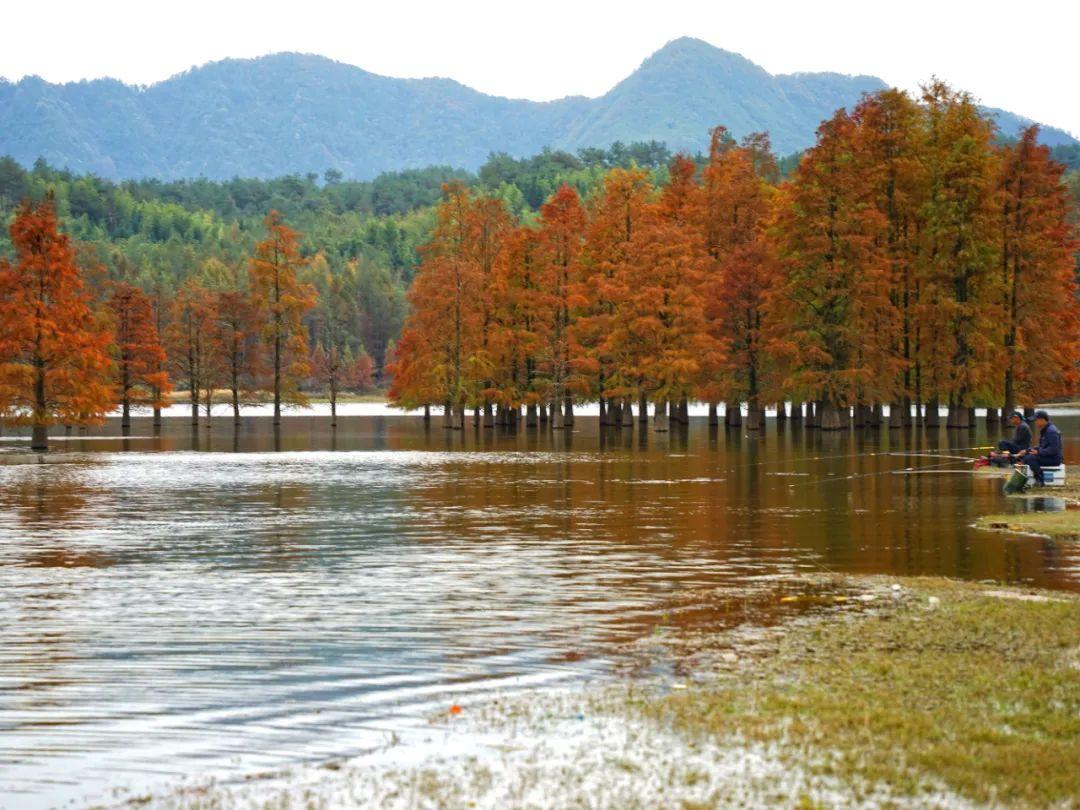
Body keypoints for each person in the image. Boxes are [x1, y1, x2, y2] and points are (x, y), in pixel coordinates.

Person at [1016, 410, 1063, 486]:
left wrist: (1039, 452)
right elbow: (1042, 446)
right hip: (1048, 456)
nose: (1035, 422)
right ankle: (1029, 477)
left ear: (1042, 420)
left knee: (1030, 458)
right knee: (1025, 456)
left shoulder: (1051, 432)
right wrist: (1027, 450)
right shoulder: (1045, 430)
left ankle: (1040, 479)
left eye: (1036, 420)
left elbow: (1054, 449)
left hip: (1054, 458)